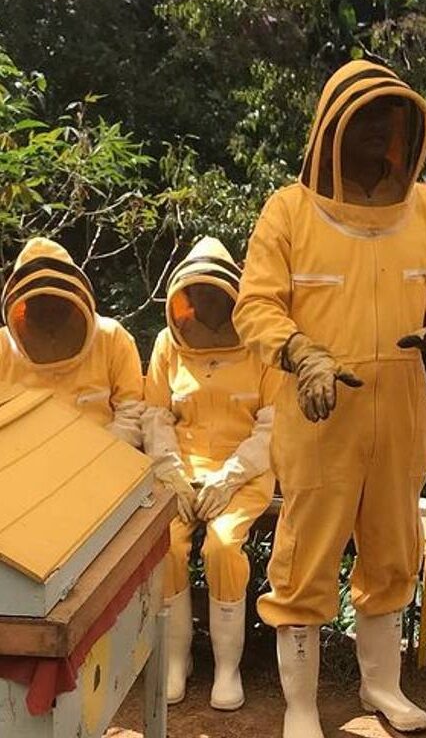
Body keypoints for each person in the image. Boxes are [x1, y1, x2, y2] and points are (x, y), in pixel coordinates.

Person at [233, 59, 426, 737]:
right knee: (305, 558)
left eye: (386, 121)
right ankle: (302, 707)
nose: (377, 132)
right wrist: (302, 352)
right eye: (364, 119)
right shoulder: (288, 210)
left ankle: (381, 686)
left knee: (393, 551)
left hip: (400, 410)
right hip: (319, 415)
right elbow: (255, 305)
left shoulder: (425, 208)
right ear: (332, 129)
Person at [142, 236, 278, 707]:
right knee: (167, 544)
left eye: (213, 292)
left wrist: (231, 475)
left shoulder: (260, 346)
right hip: (181, 474)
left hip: (245, 474)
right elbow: (156, 416)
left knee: (222, 544)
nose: (205, 301)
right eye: (196, 293)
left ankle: (226, 668)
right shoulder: (168, 344)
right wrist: (171, 473)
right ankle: (176, 660)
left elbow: (274, 425)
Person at [0, 237, 143, 447]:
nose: (48, 306)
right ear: (23, 301)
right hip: (24, 456)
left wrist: (103, 452)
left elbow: (131, 411)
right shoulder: (2, 347)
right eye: (40, 300)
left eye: (54, 294)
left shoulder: (111, 336)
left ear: (73, 292)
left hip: (103, 454)